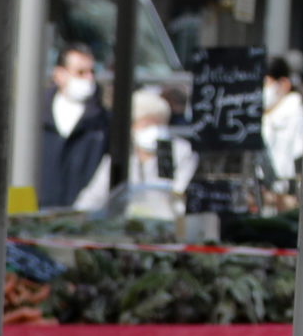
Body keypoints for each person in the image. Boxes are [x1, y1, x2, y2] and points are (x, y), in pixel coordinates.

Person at [40, 44, 112, 211]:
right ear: (59, 75)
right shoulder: (36, 114)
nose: (88, 78)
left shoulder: (103, 121)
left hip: (83, 216)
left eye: (92, 72)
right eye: (80, 72)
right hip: (38, 212)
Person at [126, 87, 195, 220]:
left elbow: (175, 193)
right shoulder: (124, 153)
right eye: (147, 124)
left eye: (160, 123)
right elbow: (96, 196)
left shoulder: (177, 151)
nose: (155, 129)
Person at [263, 53, 303, 192]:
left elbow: (302, 162)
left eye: (264, 83)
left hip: (288, 201)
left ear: (284, 84)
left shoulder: (297, 114)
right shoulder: (256, 117)